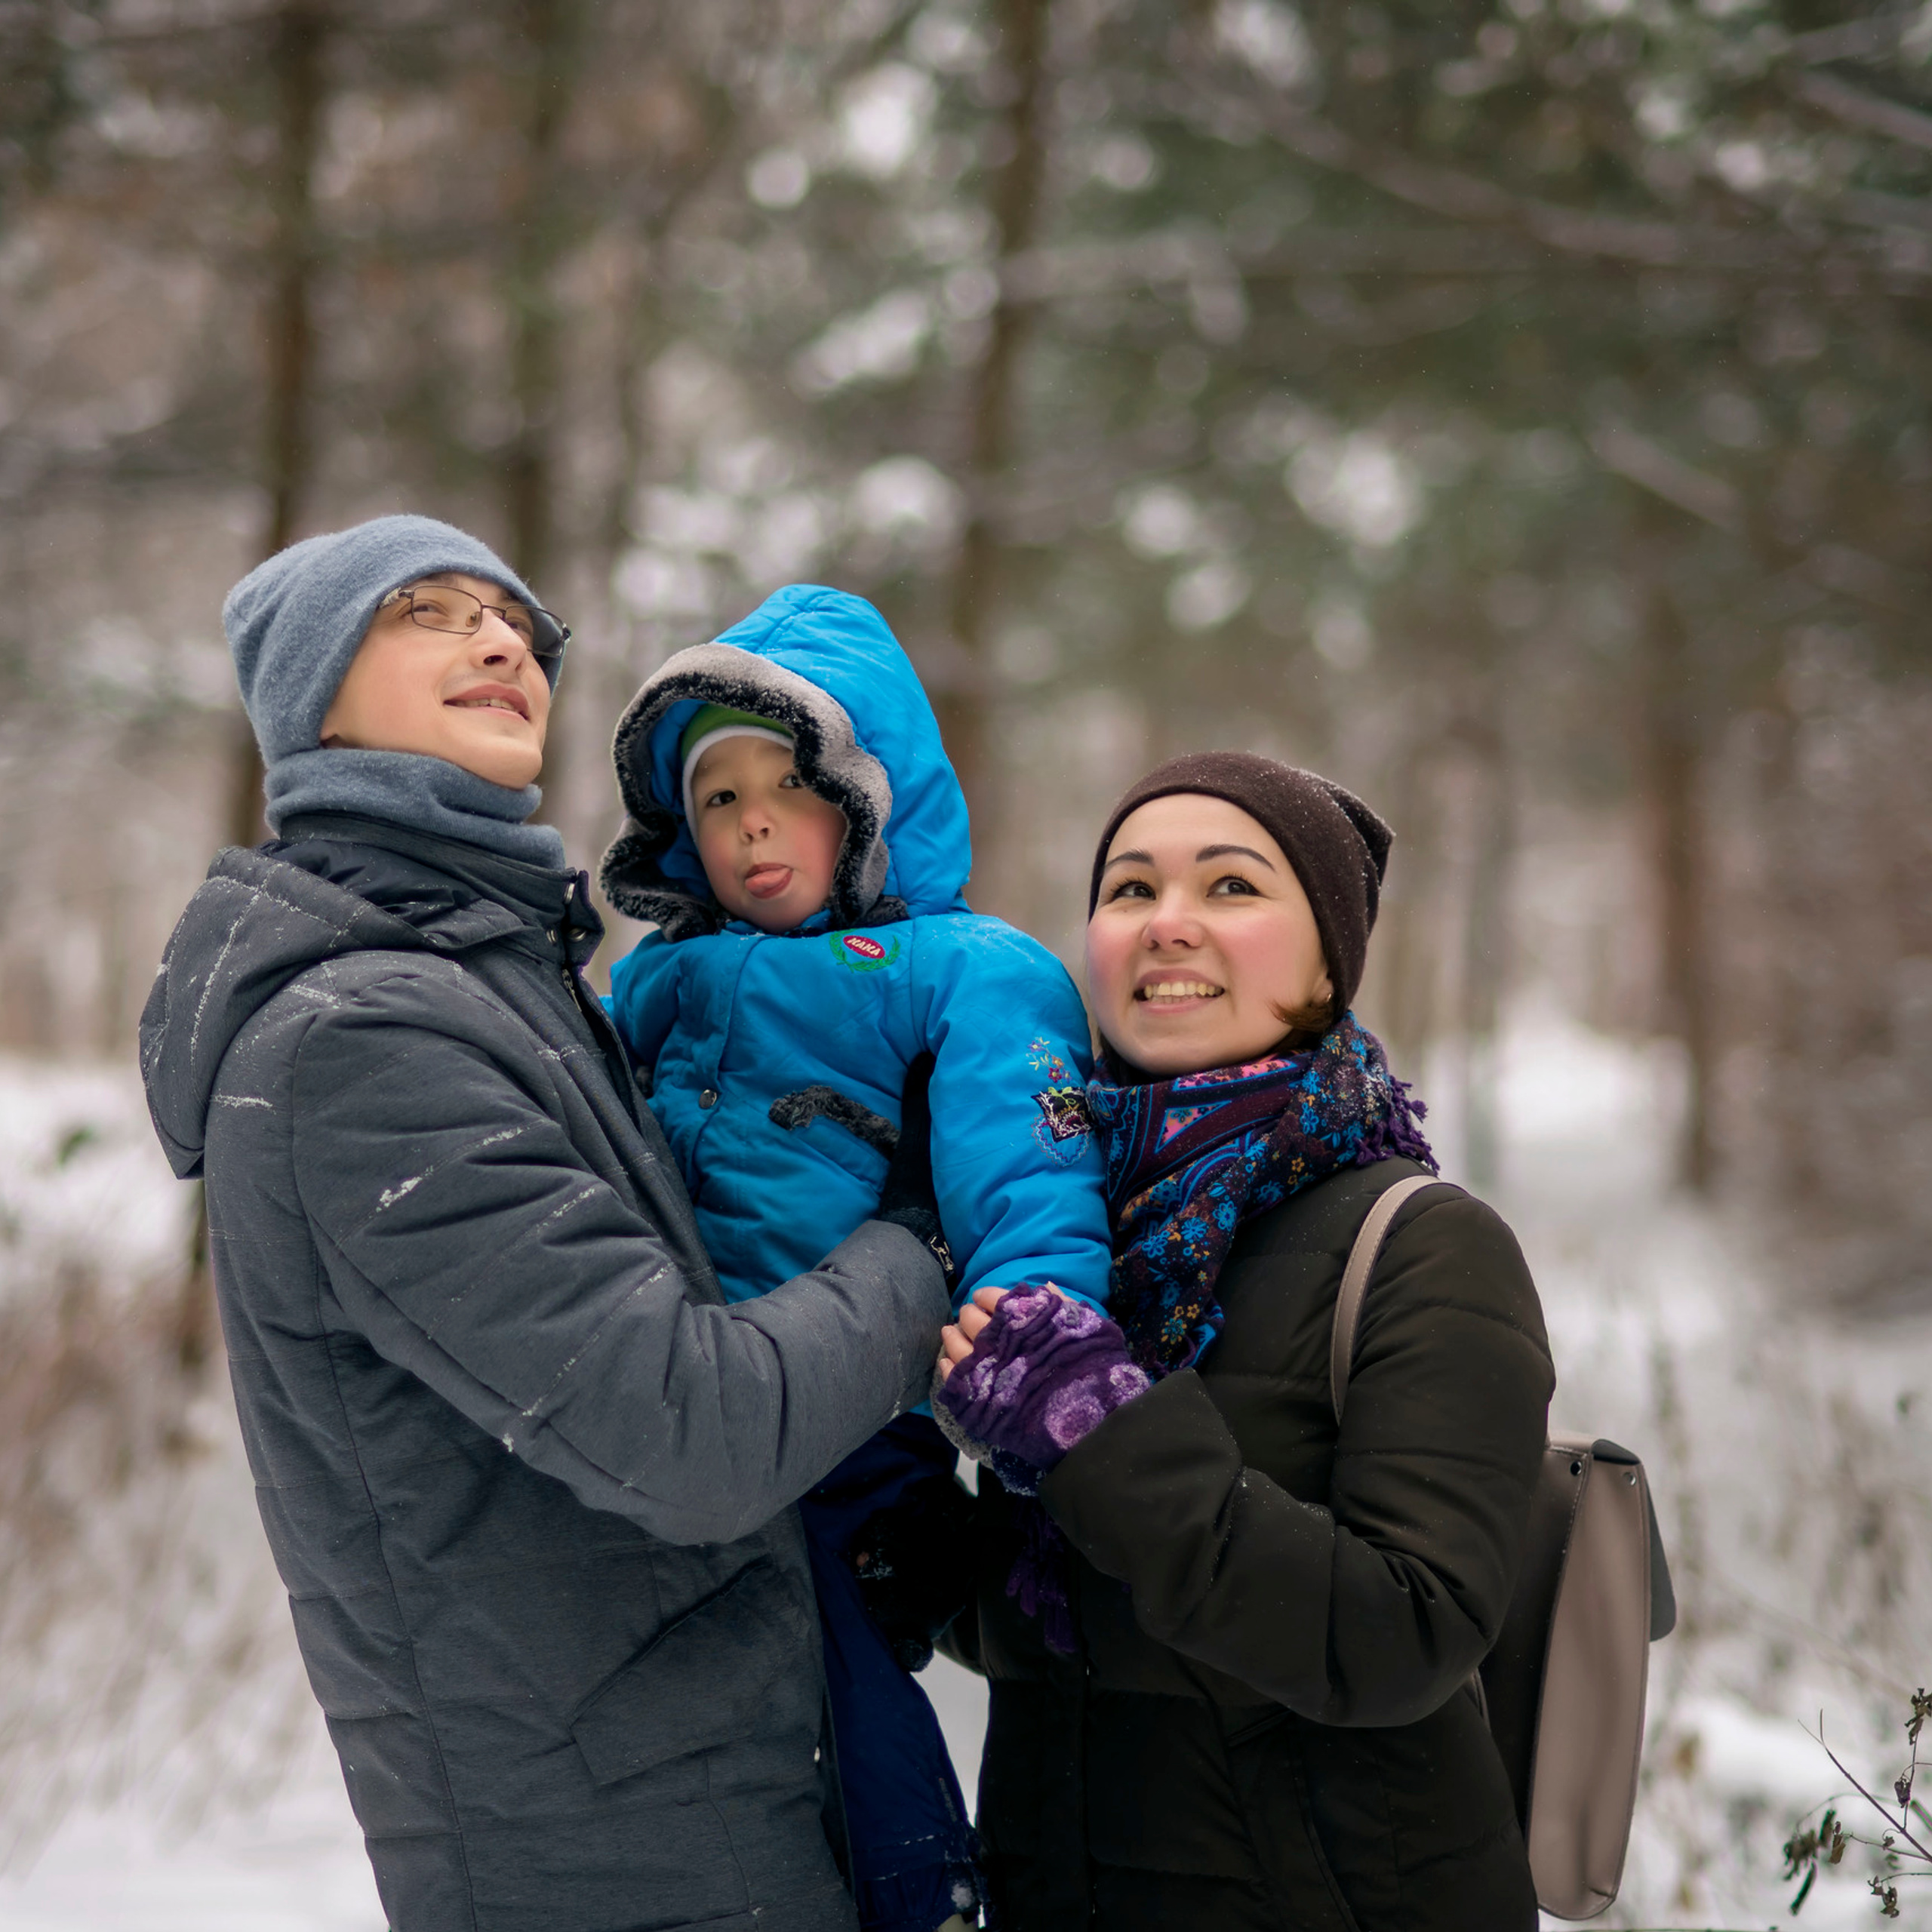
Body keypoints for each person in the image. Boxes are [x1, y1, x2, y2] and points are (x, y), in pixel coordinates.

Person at [138, 515, 955, 1932]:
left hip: (693, 1795)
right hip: (600, 1859)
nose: (503, 641)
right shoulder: (362, 1041)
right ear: (311, 690)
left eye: (516, 621)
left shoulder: (497, 979)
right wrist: (924, 1250)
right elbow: (689, 1428)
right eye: (427, 611)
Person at [934, 752, 1555, 1932]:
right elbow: (1071, 1632)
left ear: (1329, 962)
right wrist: (911, 1544)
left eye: (1230, 887)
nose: (1168, 924)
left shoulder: (1421, 1246)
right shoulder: (1053, 1241)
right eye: (1129, 890)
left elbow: (1403, 1634)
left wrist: (1101, 1430)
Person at [599, 583, 1114, 1932]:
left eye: (790, 783)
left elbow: (1027, 1171)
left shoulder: (962, 969)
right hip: (686, 1397)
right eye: (717, 799)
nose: (754, 823)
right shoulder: (649, 983)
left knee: (824, 1660)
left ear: (873, 797)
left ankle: (921, 1891)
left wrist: (1039, 1345)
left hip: (852, 1428)